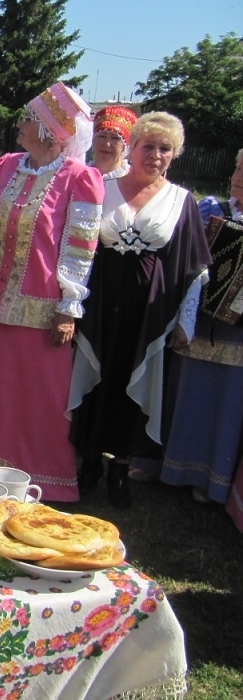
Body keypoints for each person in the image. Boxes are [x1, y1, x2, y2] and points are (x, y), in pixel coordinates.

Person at [0, 82, 104, 503]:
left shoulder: (79, 179)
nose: (21, 124)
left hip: (38, 311)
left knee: (29, 396)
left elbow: (79, 245)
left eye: (29, 119)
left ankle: (29, 475)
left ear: (51, 131)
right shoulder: (7, 166)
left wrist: (70, 305)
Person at [69, 112, 211, 509]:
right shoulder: (102, 186)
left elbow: (194, 267)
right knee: (96, 378)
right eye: (148, 146)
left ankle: (121, 470)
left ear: (175, 154)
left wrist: (185, 320)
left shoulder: (182, 201)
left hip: (149, 312)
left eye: (165, 149)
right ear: (132, 147)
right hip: (99, 305)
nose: (156, 155)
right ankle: (89, 463)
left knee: (134, 385)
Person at [159, 149, 243, 505]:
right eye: (237, 166)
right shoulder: (211, 210)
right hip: (199, 319)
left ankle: (212, 480)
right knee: (186, 390)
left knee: (225, 400)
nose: (237, 174)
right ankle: (170, 467)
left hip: (236, 333)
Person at [90, 105, 137, 180]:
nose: (107, 144)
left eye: (115, 138)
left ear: (126, 145)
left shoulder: (133, 180)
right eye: (102, 136)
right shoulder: (78, 176)